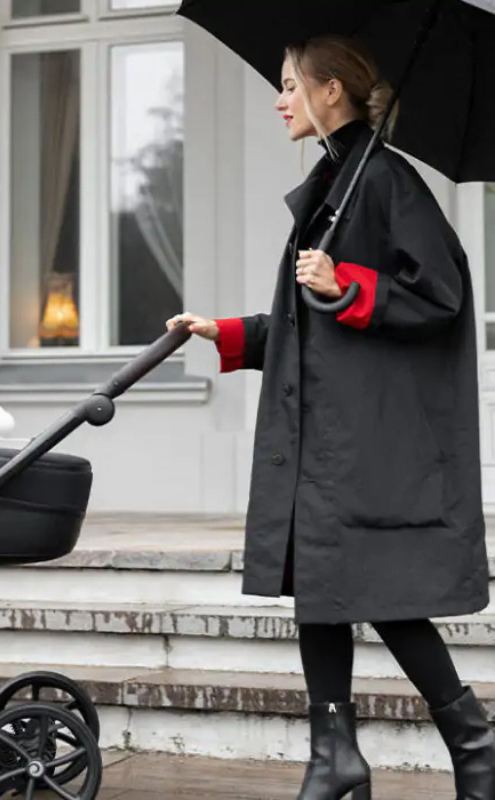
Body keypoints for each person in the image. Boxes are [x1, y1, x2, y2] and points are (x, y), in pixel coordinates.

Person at [168, 36, 495, 800]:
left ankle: (472, 742)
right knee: (322, 585)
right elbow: (308, 323)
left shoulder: (383, 179)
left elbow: (442, 296)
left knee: (377, 595)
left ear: (332, 92)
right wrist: (230, 332)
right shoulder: (334, 181)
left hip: (366, 443)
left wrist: (346, 279)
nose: (279, 99)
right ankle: (336, 754)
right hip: (325, 437)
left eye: (291, 85)